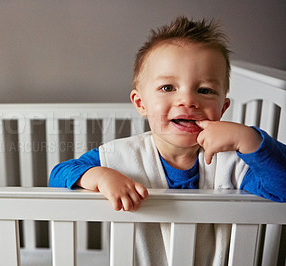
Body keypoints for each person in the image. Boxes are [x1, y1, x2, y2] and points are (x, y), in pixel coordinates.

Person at [49, 16, 286, 265]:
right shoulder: (122, 157)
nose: (187, 100)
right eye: (168, 88)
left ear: (223, 107)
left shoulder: (234, 164)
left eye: (204, 90)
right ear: (141, 103)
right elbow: (58, 175)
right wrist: (101, 177)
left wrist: (249, 139)